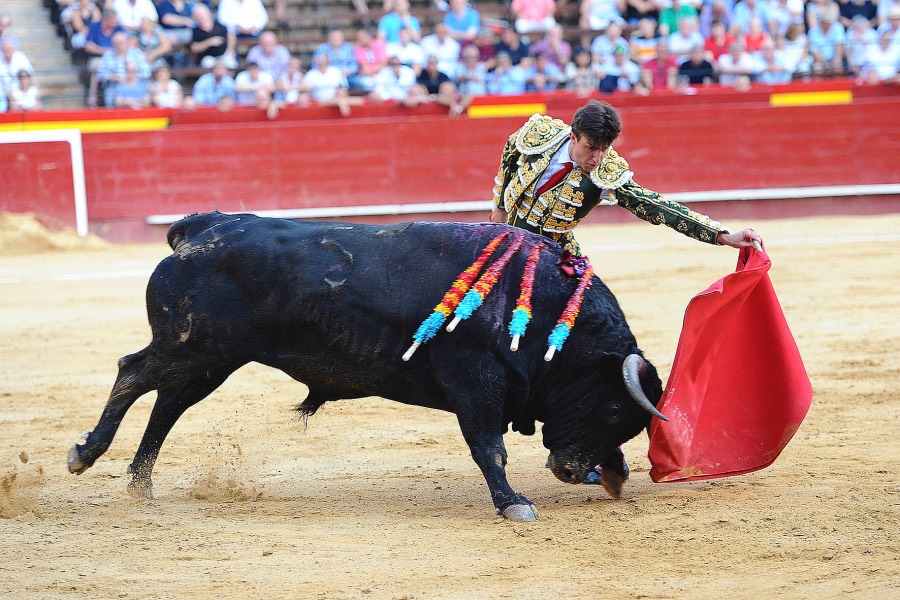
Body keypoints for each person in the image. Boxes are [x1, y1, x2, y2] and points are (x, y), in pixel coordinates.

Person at [490, 101, 763, 489]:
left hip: (557, 261)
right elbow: (510, 153)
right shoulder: (539, 135)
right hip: (505, 248)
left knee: (580, 354)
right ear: (573, 136)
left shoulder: (605, 173)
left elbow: (652, 205)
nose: (596, 158)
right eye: (590, 149)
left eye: (604, 149)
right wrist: (499, 207)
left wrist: (720, 234)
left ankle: (602, 451)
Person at [96, 31, 151, 106]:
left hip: (136, 85)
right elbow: (100, 75)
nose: (118, 46)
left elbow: (146, 72)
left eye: (121, 43)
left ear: (127, 43)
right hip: (115, 87)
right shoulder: (108, 56)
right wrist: (114, 77)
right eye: (116, 44)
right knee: (113, 97)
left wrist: (133, 78)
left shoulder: (137, 53)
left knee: (146, 95)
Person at [303, 50, 363, 116]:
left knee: (359, 101)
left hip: (336, 100)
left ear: (328, 58)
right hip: (319, 103)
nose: (320, 60)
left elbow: (344, 89)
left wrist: (340, 94)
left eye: (322, 57)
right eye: (318, 58)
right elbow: (306, 91)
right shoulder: (310, 75)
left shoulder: (336, 71)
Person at [191, 4, 237, 69]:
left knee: (231, 62)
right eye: (198, 17)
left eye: (202, 16)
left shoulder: (219, 25)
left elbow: (231, 35)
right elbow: (194, 48)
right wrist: (209, 42)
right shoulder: (196, 31)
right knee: (206, 63)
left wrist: (230, 49)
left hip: (223, 56)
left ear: (208, 14)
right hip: (209, 59)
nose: (201, 19)